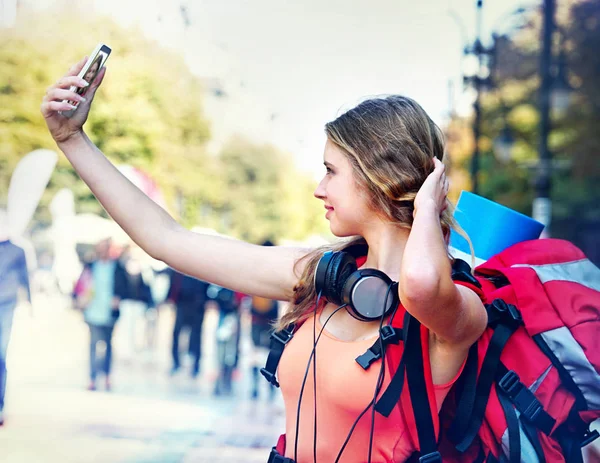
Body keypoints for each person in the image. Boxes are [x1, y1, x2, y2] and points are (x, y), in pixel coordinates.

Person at [42, 61, 487, 462]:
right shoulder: (323, 276)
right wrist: (71, 139)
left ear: (380, 176)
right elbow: (165, 239)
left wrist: (427, 207)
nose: (318, 188)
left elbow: (423, 283)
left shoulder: (456, 308)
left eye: (331, 171)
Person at [73, 239, 128, 391]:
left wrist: (118, 297)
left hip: (110, 313)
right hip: (92, 311)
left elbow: (125, 286)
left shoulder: (117, 267)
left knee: (108, 345)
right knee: (93, 345)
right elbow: (79, 286)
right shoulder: (91, 267)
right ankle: (92, 378)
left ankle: (107, 376)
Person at [0, 226, 31, 426]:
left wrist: (30, 304)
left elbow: (25, 278)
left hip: (6, 304)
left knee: (1, 355)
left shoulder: (17, 250)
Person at [166, 269, 208, 378]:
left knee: (195, 337)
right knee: (176, 334)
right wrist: (170, 298)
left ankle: (195, 365)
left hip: (197, 305)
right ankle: (176, 362)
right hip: (182, 303)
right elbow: (174, 282)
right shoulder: (180, 268)